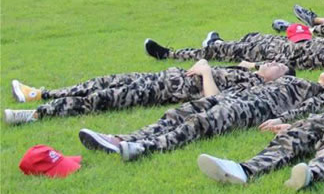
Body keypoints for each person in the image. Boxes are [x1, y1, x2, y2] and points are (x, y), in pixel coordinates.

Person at [76, 68, 324, 162]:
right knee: (178, 113)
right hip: (240, 95)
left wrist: (283, 119)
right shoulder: (299, 79)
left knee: (201, 123)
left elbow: (308, 109)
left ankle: (143, 147)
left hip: (256, 108)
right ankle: (120, 138)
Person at [3, 59, 290, 125]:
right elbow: (251, 62)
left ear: (275, 81)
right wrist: (253, 66)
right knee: (101, 82)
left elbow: (214, 100)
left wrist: (205, 71)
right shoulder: (249, 71)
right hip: (164, 75)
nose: (272, 63)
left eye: (278, 67)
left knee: (101, 99)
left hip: (168, 89)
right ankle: (40, 94)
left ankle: (34, 114)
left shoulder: (252, 86)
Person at [144, 30, 324, 70]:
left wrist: (256, 65)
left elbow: (291, 60)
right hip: (269, 44)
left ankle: (168, 54)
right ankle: (218, 44)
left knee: (212, 53)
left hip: (265, 53)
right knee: (239, 41)